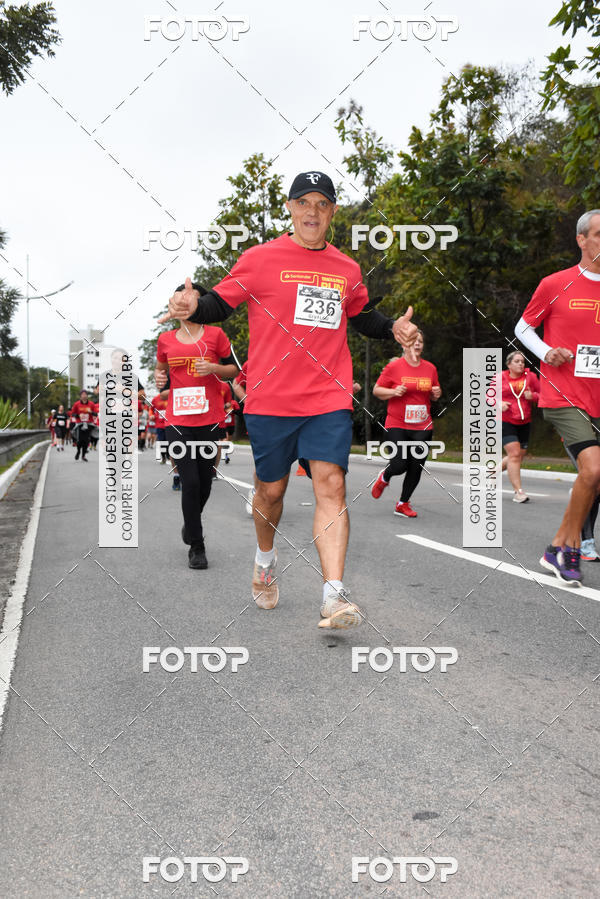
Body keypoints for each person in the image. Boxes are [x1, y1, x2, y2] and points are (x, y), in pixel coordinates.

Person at [159, 170, 417, 627]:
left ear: (332, 211)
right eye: (304, 202)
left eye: (322, 203)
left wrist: (392, 327)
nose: (312, 211)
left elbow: (361, 315)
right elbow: (220, 303)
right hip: (271, 399)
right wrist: (193, 305)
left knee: (331, 485)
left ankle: (334, 595)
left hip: (328, 396)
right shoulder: (260, 259)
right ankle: (265, 558)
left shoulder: (346, 268)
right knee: (271, 491)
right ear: (290, 208)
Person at [514, 208, 600, 585]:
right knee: (592, 469)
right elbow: (523, 327)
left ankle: (556, 546)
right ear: (581, 240)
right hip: (564, 394)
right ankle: (569, 550)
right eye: (599, 234)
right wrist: (547, 352)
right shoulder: (556, 284)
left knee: (595, 479)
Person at [154, 320, 238, 568]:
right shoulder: (165, 339)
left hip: (209, 420)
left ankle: (190, 525)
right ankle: (197, 546)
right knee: (189, 482)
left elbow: (234, 370)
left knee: (205, 482)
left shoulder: (216, 335)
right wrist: (159, 377)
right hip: (178, 421)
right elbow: (160, 370)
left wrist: (213, 367)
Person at [371, 331, 441, 517]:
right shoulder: (394, 367)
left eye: (420, 341)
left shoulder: (430, 368)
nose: (417, 344)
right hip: (397, 423)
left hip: (422, 425)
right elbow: (377, 390)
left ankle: (403, 503)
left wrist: (436, 393)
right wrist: (393, 392)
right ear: (404, 345)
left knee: (416, 467)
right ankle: (385, 476)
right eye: (413, 341)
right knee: (399, 464)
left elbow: (434, 392)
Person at [500, 351, 540, 503]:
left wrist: (533, 396)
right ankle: (519, 492)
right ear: (509, 364)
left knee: (518, 456)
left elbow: (544, 395)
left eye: (522, 361)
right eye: (516, 361)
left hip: (524, 421)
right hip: (505, 420)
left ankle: (493, 471)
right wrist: (498, 403)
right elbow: (488, 396)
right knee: (515, 454)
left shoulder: (531, 377)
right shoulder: (500, 378)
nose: (521, 364)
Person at [70, 389, 97, 461]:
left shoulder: (91, 404)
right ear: (80, 396)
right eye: (82, 395)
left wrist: (91, 412)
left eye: (85, 394)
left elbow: (95, 414)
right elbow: (72, 414)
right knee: (79, 440)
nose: (84, 396)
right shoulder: (76, 404)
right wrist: (78, 415)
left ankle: (83, 455)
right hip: (80, 424)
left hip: (88, 424)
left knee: (86, 440)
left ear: (87, 396)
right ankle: (78, 451)